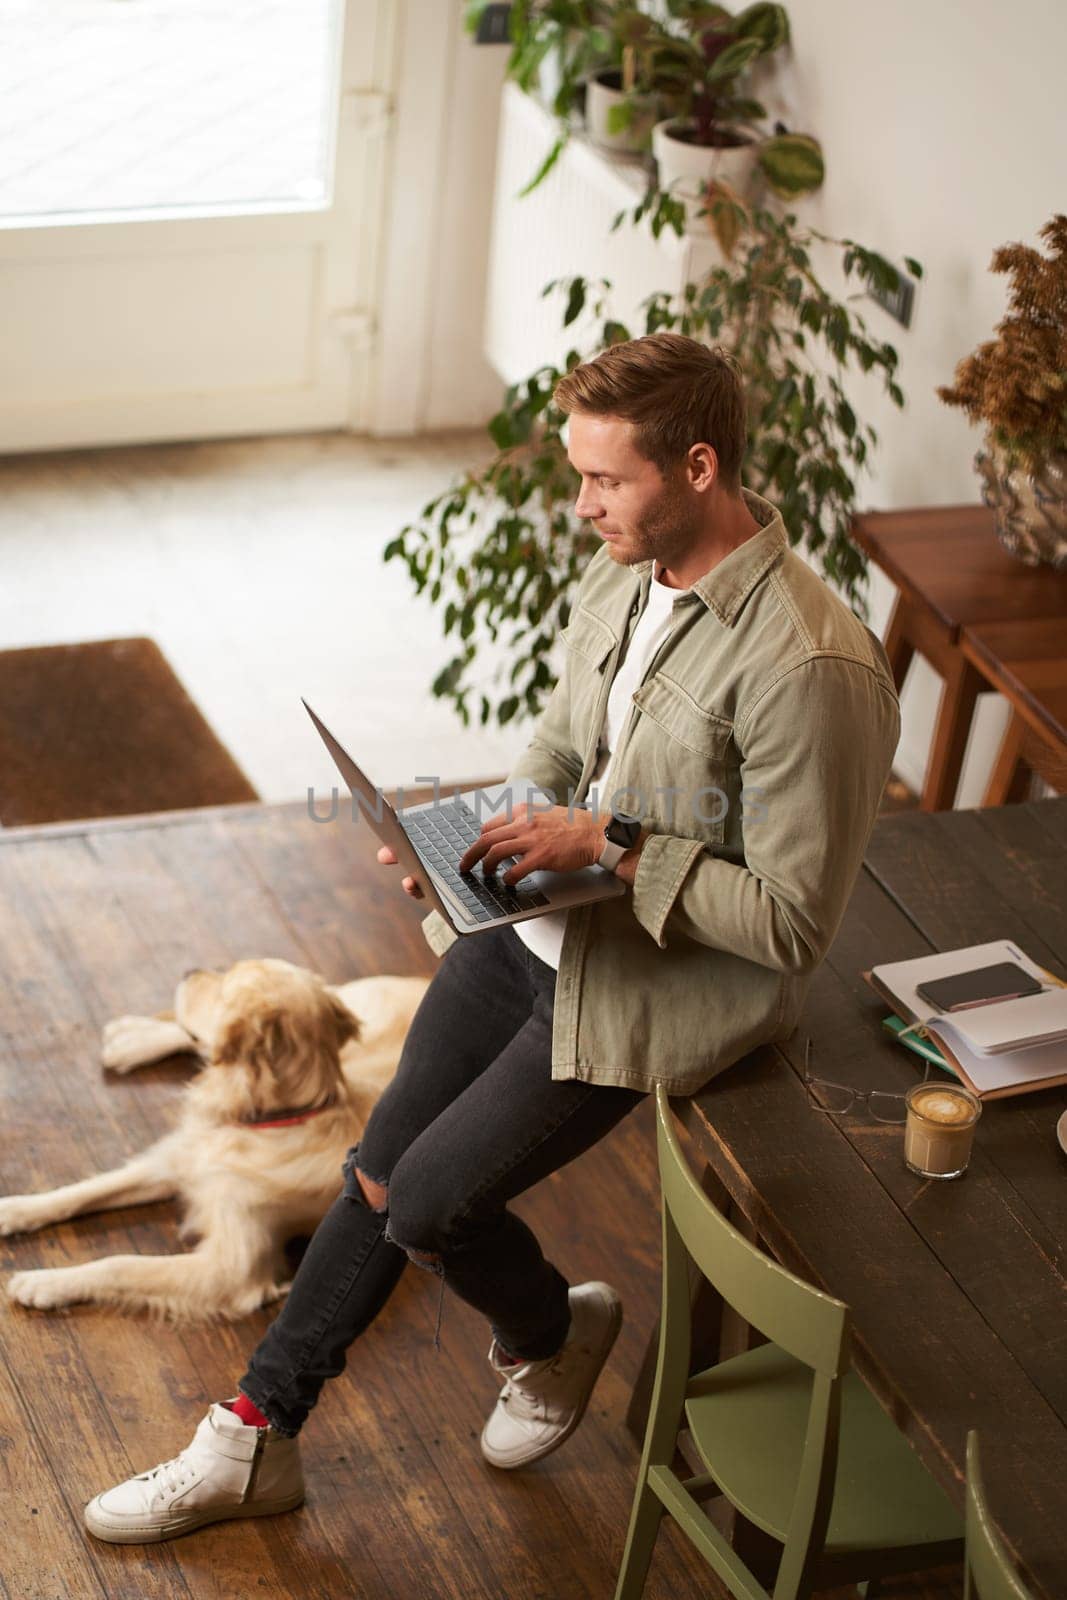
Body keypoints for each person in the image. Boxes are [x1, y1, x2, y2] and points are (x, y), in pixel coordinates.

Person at [83, 332, 900, 1544]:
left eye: (603, 481)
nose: (581, 510)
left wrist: (610, 845)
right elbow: (562, 745)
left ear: (695, 464)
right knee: (376, 1172)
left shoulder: (810, 664)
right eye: (577, 479)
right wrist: (488, 829)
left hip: (653, 988)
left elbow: (787, 924)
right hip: (537, 929)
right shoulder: (628, 572)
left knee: (420, 1204)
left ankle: (549, 1331)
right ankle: (251, 1435)